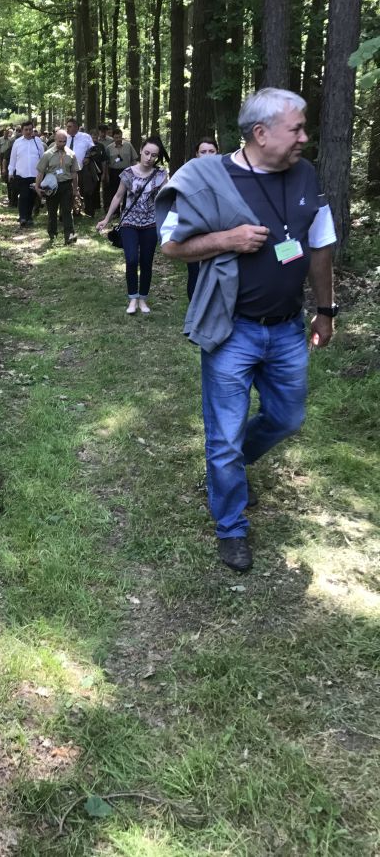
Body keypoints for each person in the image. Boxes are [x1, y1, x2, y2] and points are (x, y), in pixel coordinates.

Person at [156, 88, 337, 573]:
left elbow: (320, 244)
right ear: (261, 133)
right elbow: (170, 245)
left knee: (287, 419)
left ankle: (226, 473)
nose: (304, 137)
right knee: (224, 438)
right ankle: (231, 526)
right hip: (231, 330)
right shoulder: (207, 175)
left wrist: (326, 309)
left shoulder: (305, 174)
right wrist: (226, 240)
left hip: (287, 330)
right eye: (296, 128)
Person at [96, 137, 168, 314]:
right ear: (141, 151)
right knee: (131, 260)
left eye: (154, 155)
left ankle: (143, 299)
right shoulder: (128, 173)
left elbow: (167, 199)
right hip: (129, 223)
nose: (149, 158)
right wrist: (106, 219)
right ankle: (132, 298)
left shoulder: (161, 175)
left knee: (146, 262)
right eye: (147, 153)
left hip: (151, 224)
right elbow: (118, 196)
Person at [185, 137, 219, 300]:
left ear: (217, 153)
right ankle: (194, 311)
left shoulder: (226, 176)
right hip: (195, 231)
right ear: (197, 155)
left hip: (219, 232)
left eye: (211, 151)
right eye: (203, 152)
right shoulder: (188, 176)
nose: (207, 155)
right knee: (194, 271)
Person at [34, 129, 80, 245]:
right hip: (51, 187)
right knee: (52, 212)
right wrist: (37, 187)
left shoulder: (71, 154)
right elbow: (40, 172)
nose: (62, 144)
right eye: (60, 141)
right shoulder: (47, 154)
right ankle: (52, 235)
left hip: (66, 186)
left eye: (64, 141)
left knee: (66, 212)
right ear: (55, 140)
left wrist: (75, 189)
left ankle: (70, 237)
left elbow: (74, 173)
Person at [4, 120, 44, 227]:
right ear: (22, 131)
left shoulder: (38, 142)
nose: (28, 132)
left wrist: (43, 172)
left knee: (32, 196)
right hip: (21, 174)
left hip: (35, 175)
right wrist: (10, 172)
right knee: (23, 196)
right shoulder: (17, 143)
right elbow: (12, 159)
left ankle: (29, 216)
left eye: (30, 129)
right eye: (26, 130)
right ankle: (22, 217)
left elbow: (43, 158)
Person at [102, 127, 139, 213]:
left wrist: (136, 172)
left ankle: (125, 210)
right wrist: (106, 174)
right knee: (114, 191)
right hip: (114, 172)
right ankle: (116, 211)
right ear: (113, 137)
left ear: (122, 136)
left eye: (119, 137)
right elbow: (106, 163)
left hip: (127, 171)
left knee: (127, 191)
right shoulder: (109, 148)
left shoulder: (128, 145)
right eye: (116, 137)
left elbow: (134, 159)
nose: (118, 139)